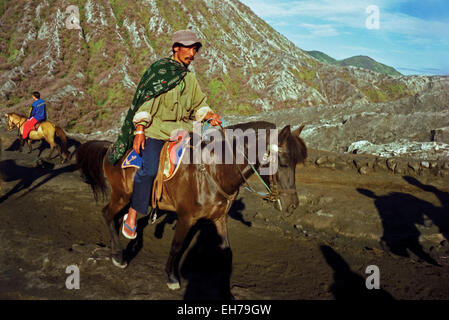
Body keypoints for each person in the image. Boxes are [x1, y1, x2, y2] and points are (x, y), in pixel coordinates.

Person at [122, 29, 221, 239]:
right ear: (176, 48)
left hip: (184, 130)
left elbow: (198, 104)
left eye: (195, 49)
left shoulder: (190, 78)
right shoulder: (160, 72)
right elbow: (146, 102)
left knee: (204, 163)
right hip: (157, 130)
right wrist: (140, 130)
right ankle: (132, 213)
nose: (192, 53)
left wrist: (209, 114)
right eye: (188, 48)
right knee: (148, 171)